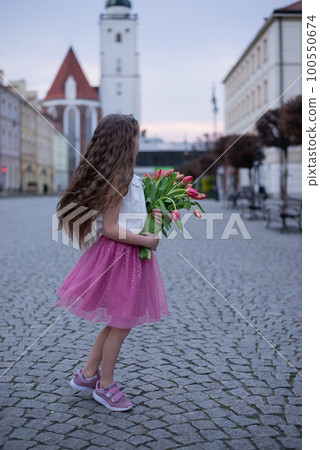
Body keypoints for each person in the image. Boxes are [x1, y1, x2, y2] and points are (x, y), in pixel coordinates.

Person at [54, 114, 170, 412]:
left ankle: (87, 375)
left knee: (118, 320)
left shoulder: (127, 176)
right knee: (121, 323)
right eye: (135, 138)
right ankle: (105, 386)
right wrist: (146, 241)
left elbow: (131, 218)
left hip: (126, 253)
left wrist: (155, 219)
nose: (138, 144)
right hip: (120, 255)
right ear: (124, 142)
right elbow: (109, 227)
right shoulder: (118, 177)